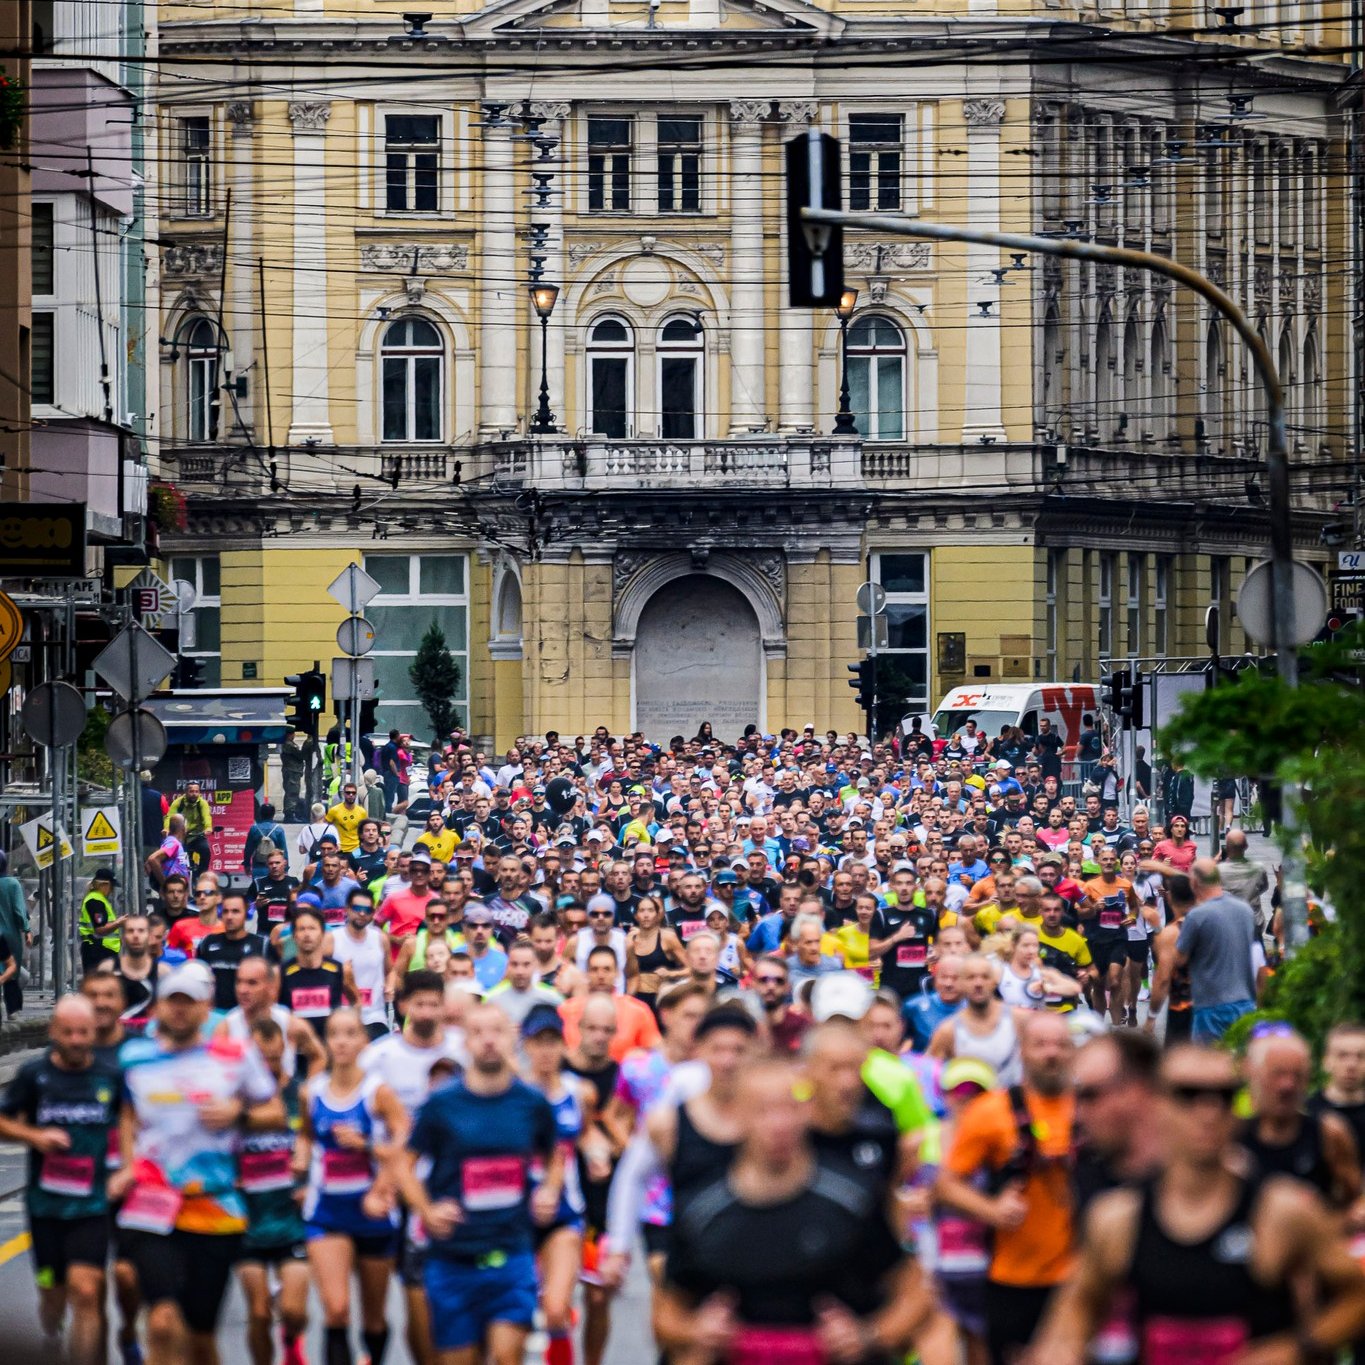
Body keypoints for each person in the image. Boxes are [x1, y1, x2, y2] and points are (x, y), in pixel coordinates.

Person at [1028, 1043, 1365, 1365]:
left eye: (1223, 1096)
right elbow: (1078, 1303)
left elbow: (1357, 1294)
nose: (1208, 1111)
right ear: (1156, 1104)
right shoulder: (1119, 1218)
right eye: (1188, 1095)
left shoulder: (1282, 1211)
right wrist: (1063, 1347)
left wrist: (1302, 1347)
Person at [655, 1056, 940, 1364]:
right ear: (737, 1117)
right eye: (763, 1111)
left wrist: (867, 1335)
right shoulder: (702, 1209)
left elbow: (916, 1296)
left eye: (790, 1108)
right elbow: (664, 1315)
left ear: (807, 1112)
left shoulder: (852, 1199)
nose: (779, 1124)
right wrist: (696, 1332)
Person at [117, 961, 283, 1365]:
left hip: (215, 1207)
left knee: (200, 1336)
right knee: (161, 1320)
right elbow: (124, 1114)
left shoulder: (233, 1057)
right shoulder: (134, 1057)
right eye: (171, 1001)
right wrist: (127, 1165)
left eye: (188, 1002)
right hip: (154, 1204)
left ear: (206, 1008)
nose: (179, 1010)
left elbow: (274, 1110)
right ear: (156, 1008)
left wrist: (237, 1114)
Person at [398, 1003, 563, 1365]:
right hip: (453, 1260)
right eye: (478, 1033)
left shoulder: (531, 1102)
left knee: (507, 1357)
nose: (488, 1041)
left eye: (496, 1031)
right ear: (465, 1042)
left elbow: (555, 1155)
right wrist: (427, 1210)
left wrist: (549, 1190)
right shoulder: (441, 1104)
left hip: (512, 1254)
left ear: (511, 1038)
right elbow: (404, 1165)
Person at [937, 1011, 1077, 1365]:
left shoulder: (1091, 1108)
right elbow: (946, 1184)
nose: (1051, 1053)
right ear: (1022, 1052)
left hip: (1080, 1279)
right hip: (1012, 1277)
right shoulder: (990, 1111)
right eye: (1041, 1044)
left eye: (1061, 1045)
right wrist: (991, 1210)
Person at [0, 995, 120, 1365]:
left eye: (83, 1032)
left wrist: (126, 1169)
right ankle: (53, 1332)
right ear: (54, 1031)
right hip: (46, 1204)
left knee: (86, 1291)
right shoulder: (34, 1075)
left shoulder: (110, 1076)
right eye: (67, 1032)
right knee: (53, 1295)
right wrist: (36, 1137)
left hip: (93, 1203)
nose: (76, 1040)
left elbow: (129, 1125)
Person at [300, 1007, 409, 1365]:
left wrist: (373, 1160)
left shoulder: (377, 1093)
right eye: (335, 1034)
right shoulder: (312, 1091)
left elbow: (405, 1140)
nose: (343, 1041)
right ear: (327, 1041)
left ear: (363, 1041)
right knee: (336, 1309)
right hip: (327, 1209)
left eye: (351, 1033)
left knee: (373, 1316)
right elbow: (305, 1137)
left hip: (372, 1210)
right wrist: (299, 1161)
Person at [521, 1003, 602, 1365]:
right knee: (515, 1314)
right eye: (538, 1042)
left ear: (563, 1046)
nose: (546, 1051)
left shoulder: (579, 1092)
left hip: (565, 1211)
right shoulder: (512, 1095)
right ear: (525, 1046)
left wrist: (597, 1151)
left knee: (555, 1311)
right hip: (516, 1214)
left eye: (553, 1042)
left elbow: (586, 1135)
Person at [235, 1015, 310, 1365]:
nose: (267, 1068)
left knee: (293, 1311)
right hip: (248, 1220)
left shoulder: (301, 1094)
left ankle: (293, 1342)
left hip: (291, 1219)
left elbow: (318, 1146)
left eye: (275, 1060)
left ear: (286, 1052)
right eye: (260, 1061)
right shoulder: (235, 1101)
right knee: (260, 1313)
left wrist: (309, 1182)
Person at [1241, 1027, 1361, 1209]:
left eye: (1297, 1075)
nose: (1287, 1085)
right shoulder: (1233, 1139)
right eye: (1277, 1074)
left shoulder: (1329, 1134)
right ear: (1252, 1074)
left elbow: (1355, 1203)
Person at [1070, 1030, 1164, 1212]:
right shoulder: (1082, 1180)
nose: (1078, 1114)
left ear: (1138, 1089)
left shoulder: (1200, 1180)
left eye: (1090, 1096)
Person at [1175, 857, 1258, 1042]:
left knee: (1211, 1065)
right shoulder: (1245, 910)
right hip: (1245, 1003)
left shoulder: (1196, 916)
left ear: (1194, 883)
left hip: (1211, 1006)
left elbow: (1179, 959)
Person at [928, 953, 1025, 1088]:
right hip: (970, 1106)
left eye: (985, 977)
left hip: (1011, 1105)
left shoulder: (1019, 1020)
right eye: (971, 977)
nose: (978, 983)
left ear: (994, 981)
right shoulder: (948, 1031)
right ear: (961, 982)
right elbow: (928, 1075)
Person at [560, 951, 662, 1061]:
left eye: (607, 969)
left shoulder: (638, 1011)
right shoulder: (567, 1009)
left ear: (617, 973)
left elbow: (657, 1053)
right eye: (594, 969)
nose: (601, 975)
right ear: (586, 973)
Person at [196, 888, 270, 1014]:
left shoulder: (262, 946)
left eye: (235, 911)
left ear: (246, 913)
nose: (230, 916)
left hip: (250, 1017)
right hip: (214, 1016)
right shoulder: (207, 943)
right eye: (226, 911)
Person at [330, 888, 390, 1039]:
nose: (362, 913)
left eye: (367, 910)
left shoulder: (380, 938)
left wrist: (391, 985)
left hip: (374, 1016)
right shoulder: (331, 939)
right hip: (341, 1015)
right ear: (347, 910)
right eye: (357, 909)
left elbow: (391, 971)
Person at [282, 907, 349, 1038]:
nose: (307, 934)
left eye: (312, 928)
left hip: (329, 1050)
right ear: (294, 935)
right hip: (296, 1049)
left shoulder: (339, 970)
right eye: (301, 929)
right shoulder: (282, 973)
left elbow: (356, 1001)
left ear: (323, 933)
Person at [111, 911, 167, 1036]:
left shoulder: (163, 972)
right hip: (117, 1041)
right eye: (130, 931)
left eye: (141, 931)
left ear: (149, 935)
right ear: (123, 936)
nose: (136, 935)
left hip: (151, 1041)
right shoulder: (109, 970)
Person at [904, 953, 966, 1051]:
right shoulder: (913, 1007)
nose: (948, 983)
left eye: (955, 978)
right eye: (944, 977)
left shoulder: (975, 1008)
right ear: (934, 979)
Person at [1218, 827, 1271, 932]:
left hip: (1229, 923)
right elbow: (1264, 887)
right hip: (1254, 922)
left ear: (1226, 848)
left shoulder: (1218, 871)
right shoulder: (1258, 868)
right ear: (1246, 846)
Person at [0, 848, 31, 1017]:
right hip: (9, 936)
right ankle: (13, 1011)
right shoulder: (12, 884)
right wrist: (27, 929)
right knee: (12, 973)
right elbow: (19, 911)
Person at [78, 866, 122, 974]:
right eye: (111, 886)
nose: (112, 890)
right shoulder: (95, 900)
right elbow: (100, 929)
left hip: (102, 949)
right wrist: (119, 922)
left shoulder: (99, 899)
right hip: (99, 949)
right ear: (104, 884)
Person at [167, 781, 215, 880]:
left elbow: (207, 817)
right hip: (182, 837)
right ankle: (183, 877)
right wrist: (166, 829)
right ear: (186, 792)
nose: (194, 794)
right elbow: (169, 817)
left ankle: (201, 874)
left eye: (196, 791)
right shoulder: (178, 803)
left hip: (197, 836)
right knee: (182, 859)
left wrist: (208, 828)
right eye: (191, 791)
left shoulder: (202, 803)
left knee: (206, 850)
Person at [166, 875, 222, 959]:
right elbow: (169, 957)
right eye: (198, 894)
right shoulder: (180, 926)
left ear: (218, 898)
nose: (202, 897)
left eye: (208, 893)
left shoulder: (227, 929)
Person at [145, 814, 192, 892]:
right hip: (173, 893)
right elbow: (152, 859)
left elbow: (147, 865)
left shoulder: (173, 842)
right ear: (183, 828)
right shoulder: (173, 843)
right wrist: (164, 885)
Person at [243, 803, 288, 879]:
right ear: (273, 814)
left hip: (258, 866)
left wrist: (247, 865)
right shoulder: (278, 829)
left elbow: (248, 849)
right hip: (275, 867)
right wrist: (285, 868)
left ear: (260, 814)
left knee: (259, 888)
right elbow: (283, 850)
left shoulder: (254, 829)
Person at [325, 781, 369, 856]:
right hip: (339, 849)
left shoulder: (362, 812)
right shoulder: (334, 810)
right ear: (344, 794)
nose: (351, 795)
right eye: (348, 793)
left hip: (356, 849)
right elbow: (326, 827)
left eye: (353, 793)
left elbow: (366, 829)